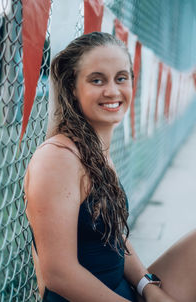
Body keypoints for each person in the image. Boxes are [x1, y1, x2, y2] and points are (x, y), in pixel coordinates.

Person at [24, 32, 196, 302]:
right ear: (72, 87)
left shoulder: (95, 152)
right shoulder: (58, 159)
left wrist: (148, 288)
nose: (113, 91)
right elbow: (58, 273)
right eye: (97, 80)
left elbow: (113, 236)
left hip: (121, 291)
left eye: (121, 78)